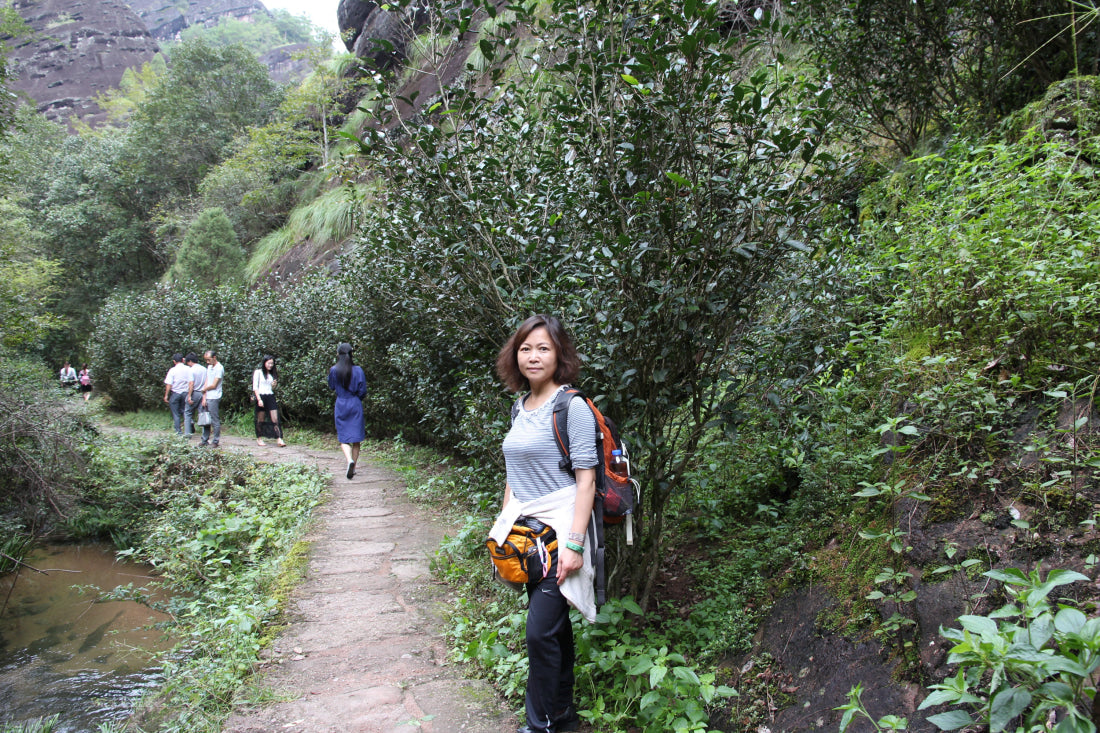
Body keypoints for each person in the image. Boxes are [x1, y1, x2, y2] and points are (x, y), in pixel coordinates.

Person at [488, 315, 597, 733]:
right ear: (515, 355)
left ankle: (541, 725)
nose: (533, 356)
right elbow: (514, 476)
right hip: (528, 537)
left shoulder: (573, 407)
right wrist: (503, 528)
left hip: (562, 532)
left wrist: (574, 545)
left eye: (543, 348)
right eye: (525, 348)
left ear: (560, 355)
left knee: (539, 632)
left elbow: (586, 480)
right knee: (551, 626)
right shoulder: (521, 406)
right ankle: (563, 716)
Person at [327, 343, 368, 479]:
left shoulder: (334, 370)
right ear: (351, 354)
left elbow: (331, 386)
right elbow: (363, 390)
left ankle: (348, 460)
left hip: (341, 403)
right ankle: (354, 466)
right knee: (356, 439)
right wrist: (357, 399)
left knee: (343, 437)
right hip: (355, 403)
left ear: (338, 354)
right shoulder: (358, 370)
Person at [252, 355, 286, 447]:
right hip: (261, 396)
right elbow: (255, 387)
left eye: (272, 363)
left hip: (270, 396)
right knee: (261, 419)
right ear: (264, 363)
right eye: (269, 363)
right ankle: (259, 438)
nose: (270, 365)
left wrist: (274, 385)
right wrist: (259, 399)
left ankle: (279, 438)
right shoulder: (258, 372)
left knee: (275, 418)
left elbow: (271, 388)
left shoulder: (272, 374)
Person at [199, 350, 224, 447]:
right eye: (206, 360)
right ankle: (204, 440)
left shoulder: (219, 368)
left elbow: (214, 385)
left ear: (214, 358)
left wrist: (204, 389)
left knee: (214, 419)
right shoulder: (209, 367)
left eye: (209, 360)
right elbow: (207, 380)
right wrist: (204, 396)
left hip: (214, 396)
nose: (207, 362)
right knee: (205, 419)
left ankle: (215, 441)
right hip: (207, 395)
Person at [163, 354, 191, 435]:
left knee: (176, 413)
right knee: (185, 412)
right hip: (186, 393)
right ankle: (189, 428)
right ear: (183, 360)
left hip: (176, 393)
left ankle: (178, 432)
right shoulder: (188, 369)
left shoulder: (172, 370)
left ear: (174, 361)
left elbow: (169, 384)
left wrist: (166, 395)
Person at [183, 352, 207, 438]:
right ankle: (204, 435)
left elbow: (191, 384)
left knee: (188, 412)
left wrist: (189, 395)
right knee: (202, 413)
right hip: (203, 392)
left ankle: (187, 434)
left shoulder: (191, 370)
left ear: (189, 361)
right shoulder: (204, 369)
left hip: (195, 392)